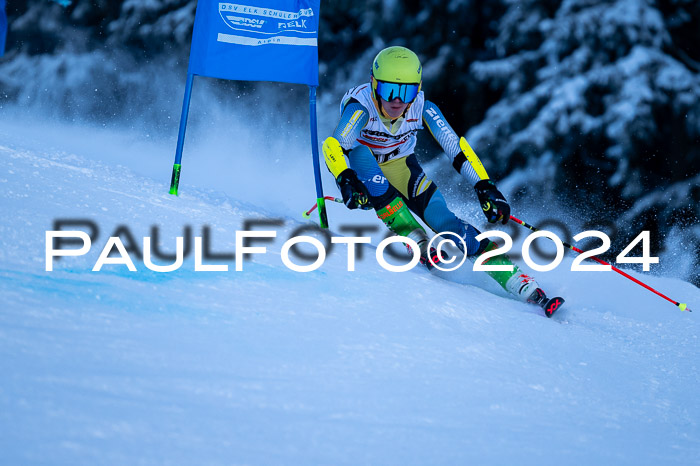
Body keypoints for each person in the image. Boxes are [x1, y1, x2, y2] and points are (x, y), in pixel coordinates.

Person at [322, 46, 563, 316]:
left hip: (401, 164)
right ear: (374, 84)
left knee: (445, 222)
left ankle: (519, 282)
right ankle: (415, 237)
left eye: (407, 92)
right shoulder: (361, 106)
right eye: (389, 90)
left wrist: (484, 186)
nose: (397, 101)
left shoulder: (424, 107)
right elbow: (335, 144)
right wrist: (346, 179)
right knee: (368, 166)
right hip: (361, 165)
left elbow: (455, 148)